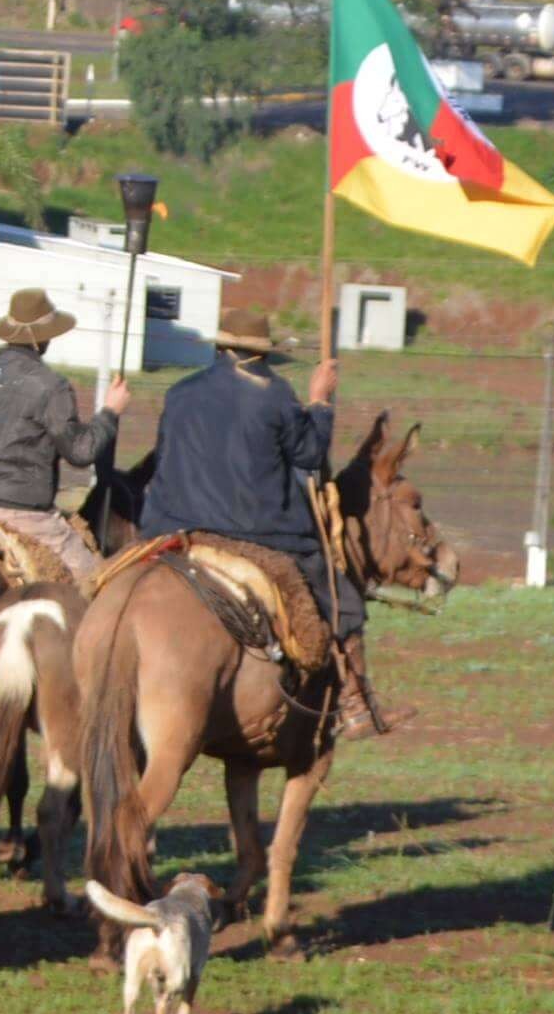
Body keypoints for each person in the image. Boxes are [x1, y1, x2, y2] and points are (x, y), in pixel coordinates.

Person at [138, 310, 383, 736]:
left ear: (220, 348)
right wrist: (321, 402)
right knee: (343, 601)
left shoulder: (179, 393)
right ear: (260, 354)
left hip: (172, 527)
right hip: (255, 532)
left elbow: (163, 458)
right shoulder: (274, 395)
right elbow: (309, 456)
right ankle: (354, 701)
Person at [0, 288, 126, 585]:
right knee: (99, 583)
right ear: (44, 338)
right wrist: (110, 412)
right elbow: (80, 451)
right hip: (23, 516)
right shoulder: (50, 385)